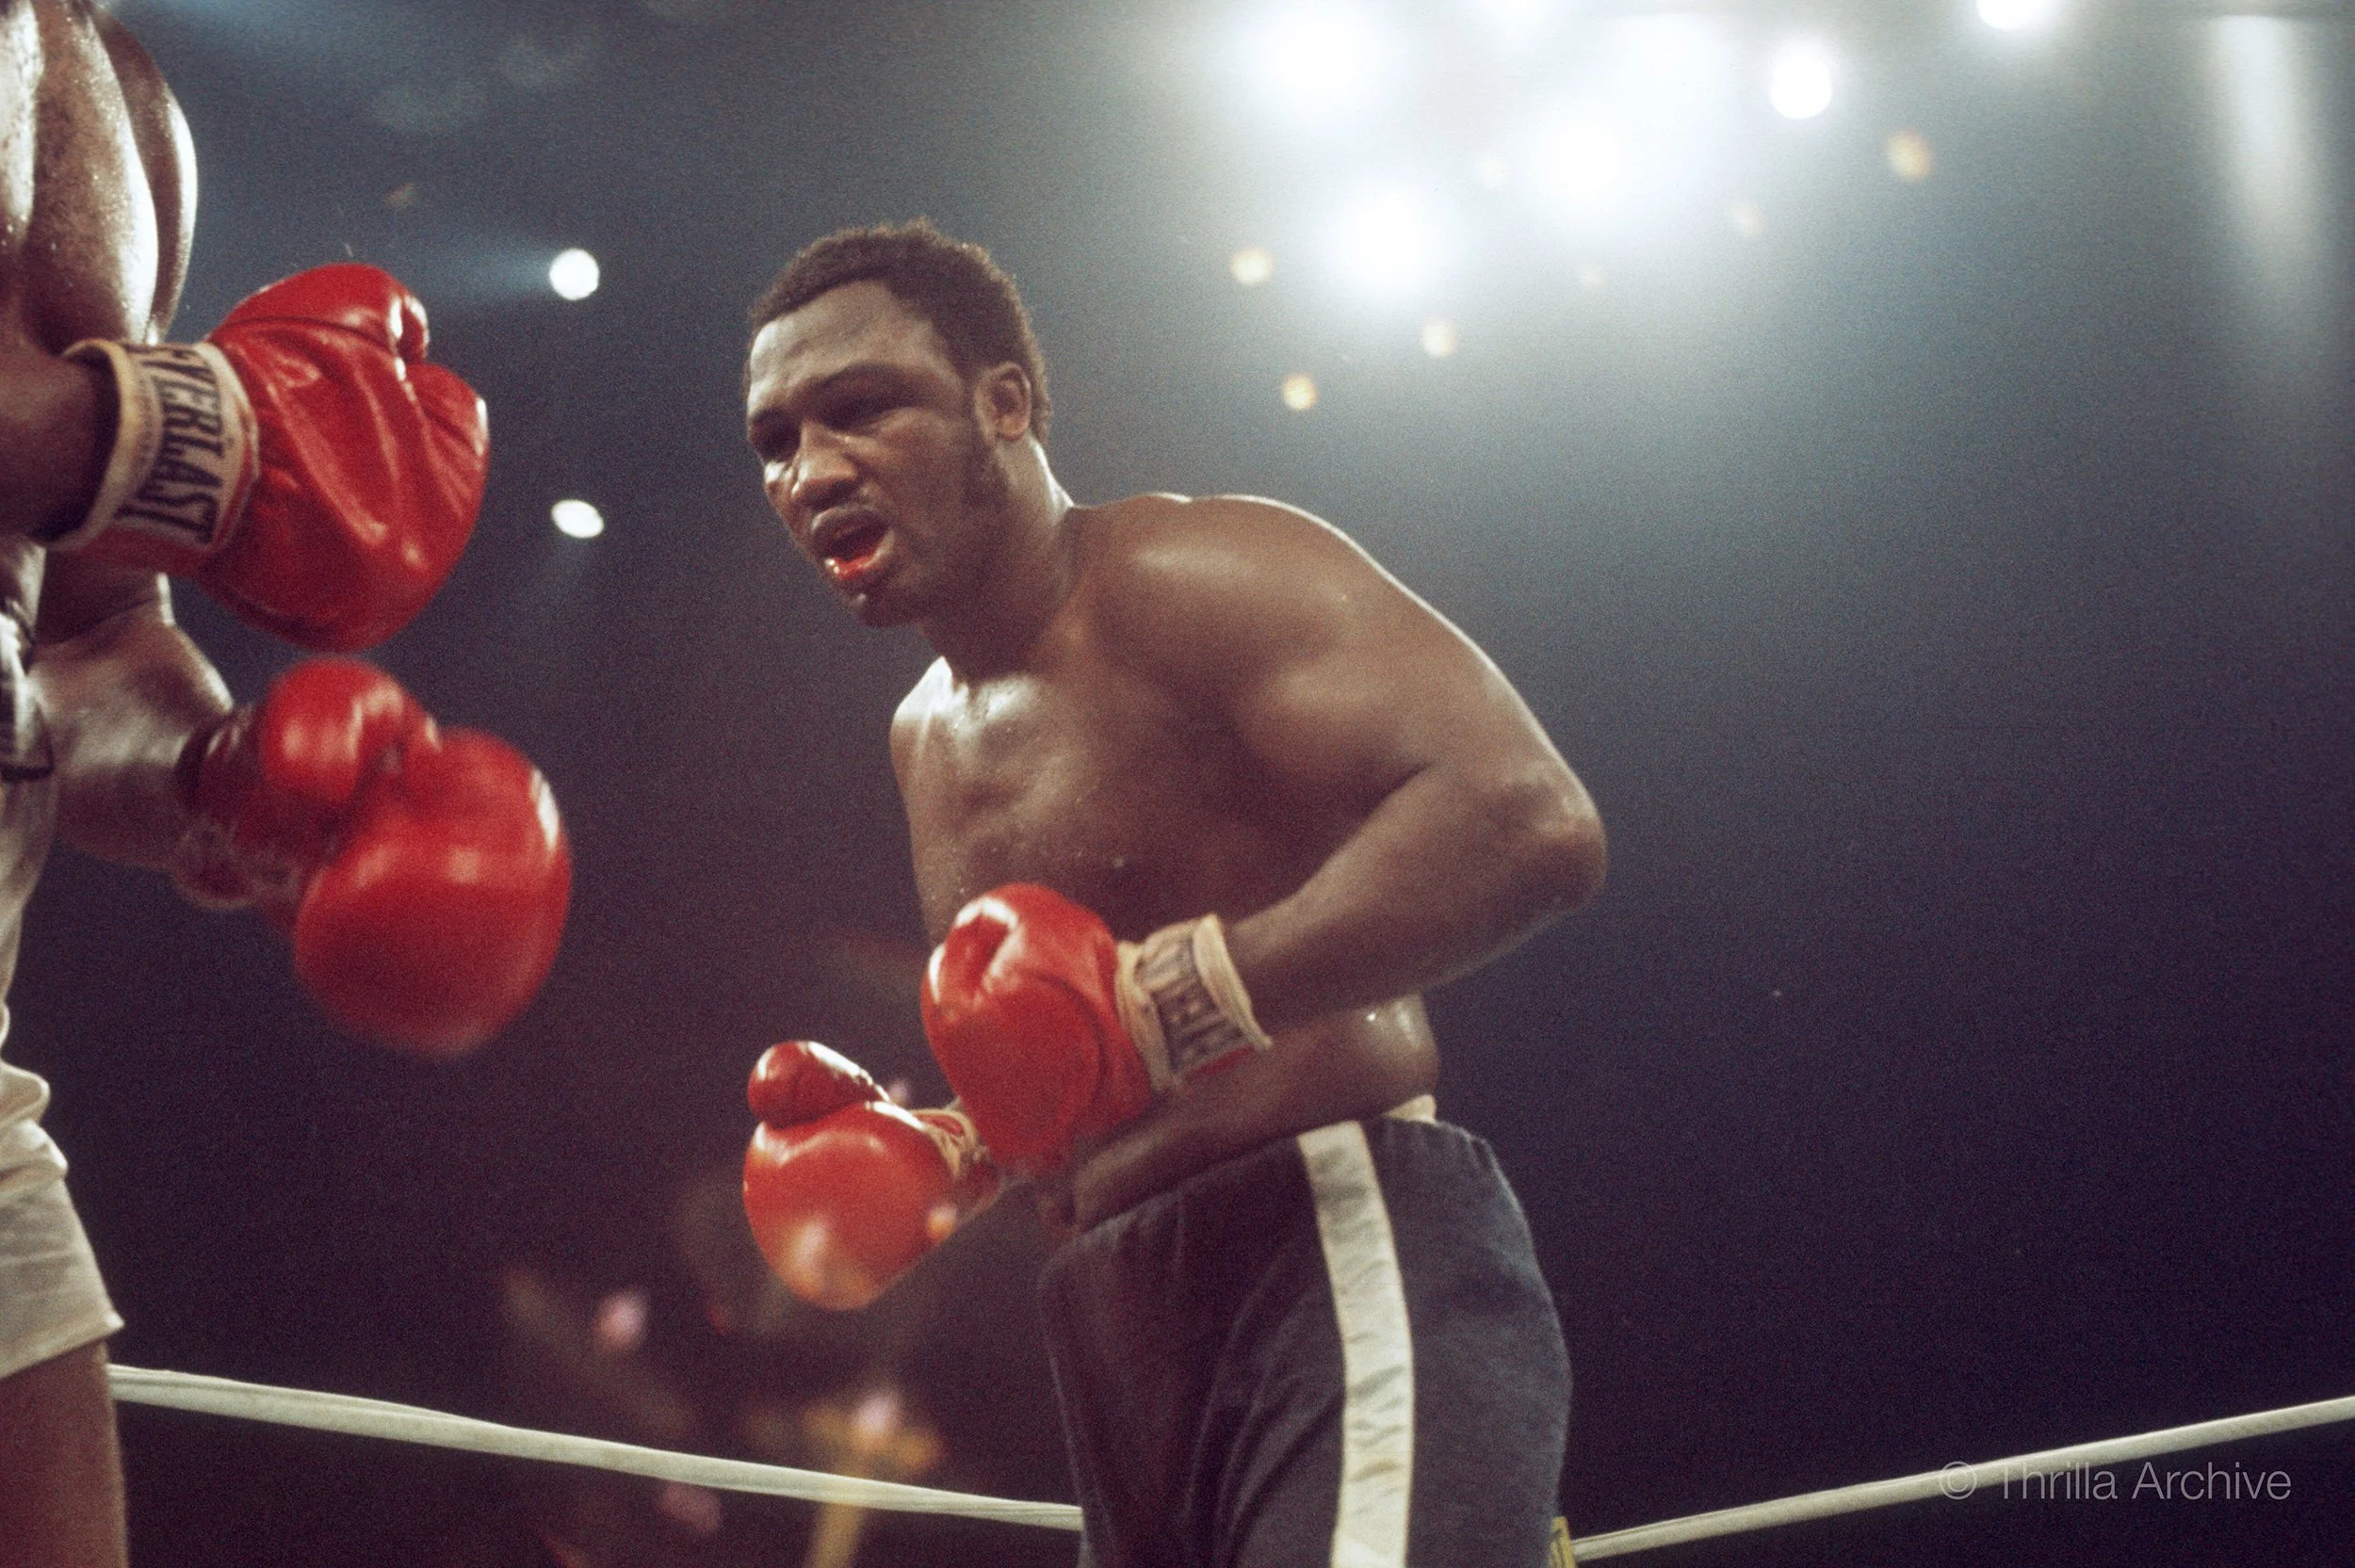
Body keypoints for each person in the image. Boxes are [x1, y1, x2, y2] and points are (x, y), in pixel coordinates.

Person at [739, 220, 1605, 1567]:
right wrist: (956, 1151)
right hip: (1117, 1334)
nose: (812, 470)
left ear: (1004, 402)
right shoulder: (921, 737)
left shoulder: (1189, 577)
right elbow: (1081, 1061)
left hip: (1326, 1246)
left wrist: (1173, 1004)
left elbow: (1525, 817)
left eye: (860, 408)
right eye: (777, 441)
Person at [0, 7, 571, 1564]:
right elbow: (76, 450)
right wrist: (176, 436)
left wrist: (227, 788)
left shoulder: (113, 104)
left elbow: (88, 635)